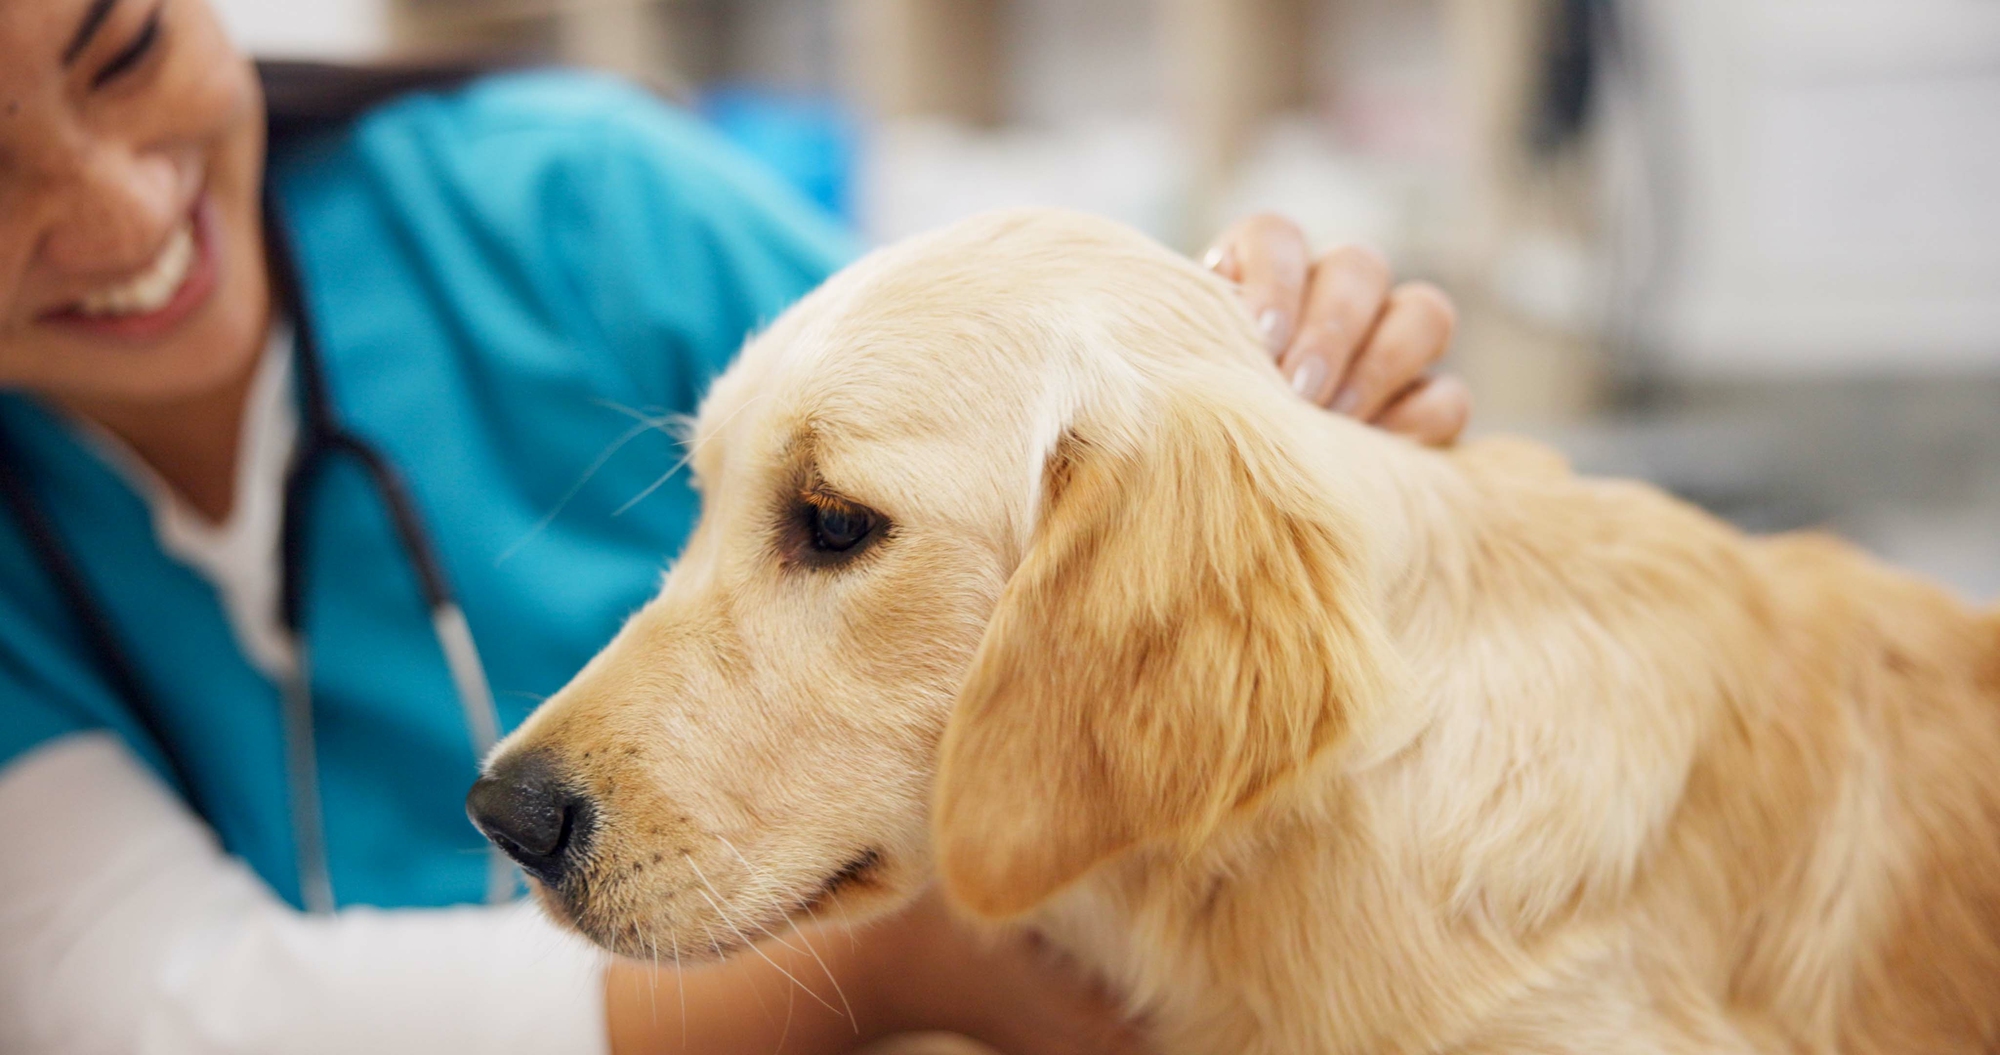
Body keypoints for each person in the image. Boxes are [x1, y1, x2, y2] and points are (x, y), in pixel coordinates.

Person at [0, 0, 1468, 1051]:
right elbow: (133, 1004)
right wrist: (908, 971)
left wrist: (1283, 440)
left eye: (121, 55)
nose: (117, 211)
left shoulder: (572, 204)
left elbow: (1019, 459)